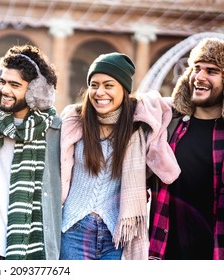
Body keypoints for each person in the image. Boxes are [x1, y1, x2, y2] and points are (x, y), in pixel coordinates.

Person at [59, 52, 180, 260]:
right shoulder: (75, 121)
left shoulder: (136, 125)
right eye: (94, 85)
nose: (99, 92)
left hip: (116, 235)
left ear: (123, 89)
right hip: (73, 230)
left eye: (108, 85)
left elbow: (178, 103)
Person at [0, 44, 61, 260]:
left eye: (15, 85)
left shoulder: (54, 130)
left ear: (35, 91)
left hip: (32, 251)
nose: (5, 90)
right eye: (3, 82)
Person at [149, 38, 224, 260]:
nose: (199, 77)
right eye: (196, 68)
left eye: (211, 71)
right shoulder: (170, 122)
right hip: (165, 252)